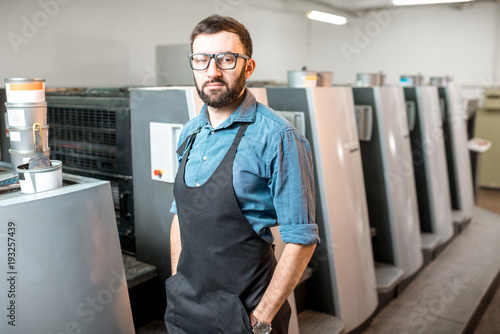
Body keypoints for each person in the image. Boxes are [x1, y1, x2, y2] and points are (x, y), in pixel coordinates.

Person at [165, 14, 319, 334]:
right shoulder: (190, 133)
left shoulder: (278, 138)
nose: (213, 71)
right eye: (202, 59)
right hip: (186, 310)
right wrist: (177, 282)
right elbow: (181, 215)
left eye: (226, 59)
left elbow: (301, 241)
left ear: (248, 67)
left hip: (245, 315)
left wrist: (261, 318)